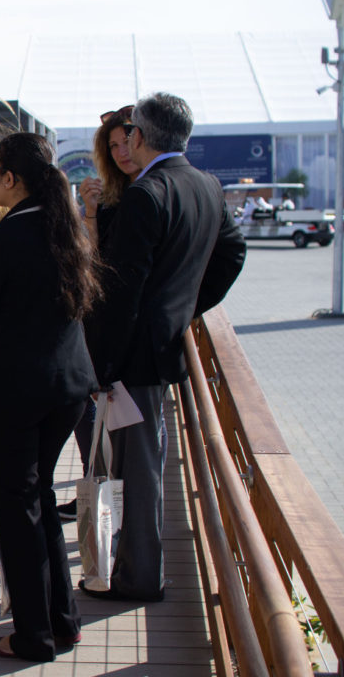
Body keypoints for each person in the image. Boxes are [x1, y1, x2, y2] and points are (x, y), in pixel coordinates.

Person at [82, 92, 246, 602]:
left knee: (140, 466)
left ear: (140, 136)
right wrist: (186, 307)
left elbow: (122, 290)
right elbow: (233, 253)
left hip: (134, 357)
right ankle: (136, 570)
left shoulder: (145, 194)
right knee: (145, 461)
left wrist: (101, 365)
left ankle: (140, 577)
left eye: (129, 133)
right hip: (162, 344)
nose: (126, 141)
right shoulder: (207, 186)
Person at [0, 132, 99, 662]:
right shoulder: (72, 231)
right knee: (35, 500)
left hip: (10, 394)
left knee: (16, 510)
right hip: (66, 389)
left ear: (12, 179)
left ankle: (33, 636)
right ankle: (64, 621)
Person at [59, 104, 142, 523]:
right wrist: (90, 211)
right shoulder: (109, 194)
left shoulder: (151, 189)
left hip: (128, 325)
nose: (121, 151)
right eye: (112, 145)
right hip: (98, 312)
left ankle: (110, 494)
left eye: (126, 141)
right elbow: (92, 255)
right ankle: (96, 482)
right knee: (90, 401)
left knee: (113, 413)